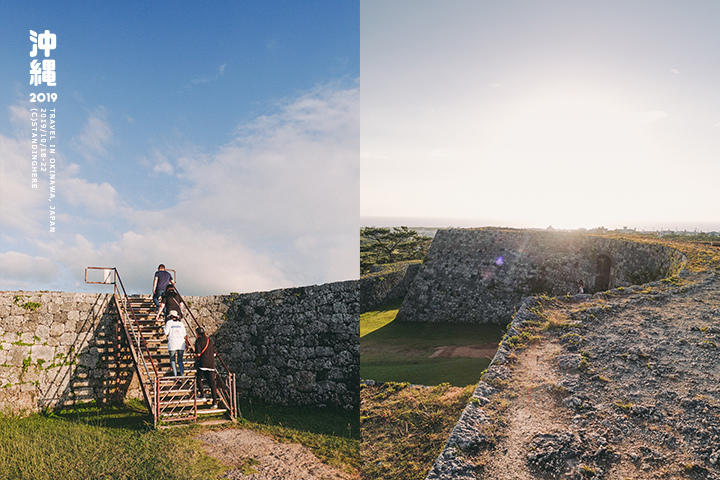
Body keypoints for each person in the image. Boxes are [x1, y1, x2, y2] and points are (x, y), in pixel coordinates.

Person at [195, 327, 219, 408]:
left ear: (197, 333)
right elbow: (214, 354)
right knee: (212, 384)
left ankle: (202, 395)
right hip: (211, 364)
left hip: (203, 363)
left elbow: (198, 354)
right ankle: (215, 403)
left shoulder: (198, 341)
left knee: (198, 378)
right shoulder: (210, 341)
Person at [164, 310, 190, 377]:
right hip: (181, 343)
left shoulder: (169, 323)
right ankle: (182, 374)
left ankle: (175, 376)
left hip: (172, 343)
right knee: (180, 360)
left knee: (173, 360)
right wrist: (187, 344)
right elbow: (185, 335)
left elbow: (166, 333)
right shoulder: (181, 324)